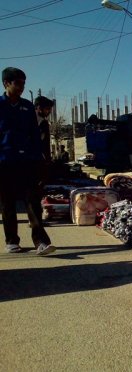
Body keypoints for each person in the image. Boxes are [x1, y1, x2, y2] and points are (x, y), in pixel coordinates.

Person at [0, 67, 56, 255]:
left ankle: (41, 241)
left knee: (32, 201)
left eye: (24, 83)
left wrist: (39, 160)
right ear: (6, 83)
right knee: (7, 202)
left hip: (27, 161)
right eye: (18, 83)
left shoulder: (27, 107)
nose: (22, 87)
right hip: (5, 162)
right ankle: (12, 241)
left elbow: (34, 135)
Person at [34, 95, 54, 162]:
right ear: (39, 108)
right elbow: (44, 144)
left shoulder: (26, 118)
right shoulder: (43, 123)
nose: (49, 112)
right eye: (47, 109)